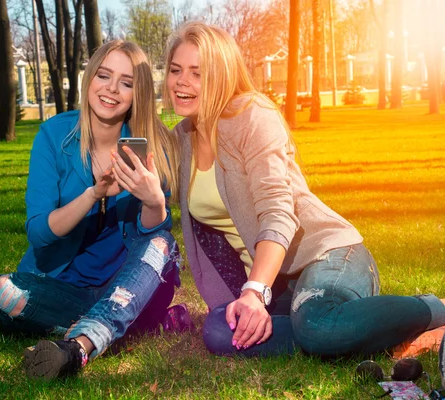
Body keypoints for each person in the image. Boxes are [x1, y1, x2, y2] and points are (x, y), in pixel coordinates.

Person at [165, 21, 445, 359]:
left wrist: (253, 291)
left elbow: (277, 212)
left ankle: (431, 309)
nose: (182, 81)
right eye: (175, 70)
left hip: (327, 256)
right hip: (278, 281)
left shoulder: (251, 116)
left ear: (222, 74)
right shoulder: (180, 139)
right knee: (219, 331)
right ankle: (363, 330)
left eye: (197, 72)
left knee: (317, 327)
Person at [0, 40, 187, 381]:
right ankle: (129, 324)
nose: (111, 89)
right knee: (2, 292)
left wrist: (154, 201)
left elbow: (149, 239)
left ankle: (83, 341)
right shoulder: (54, 135)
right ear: (89, 78)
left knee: (161, 244)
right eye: (104, 76)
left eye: (126, 82)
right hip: (63, 287)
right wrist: (93, 194)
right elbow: (38, 233)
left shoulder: (154, 143)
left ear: (137, 93)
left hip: (127, 283)